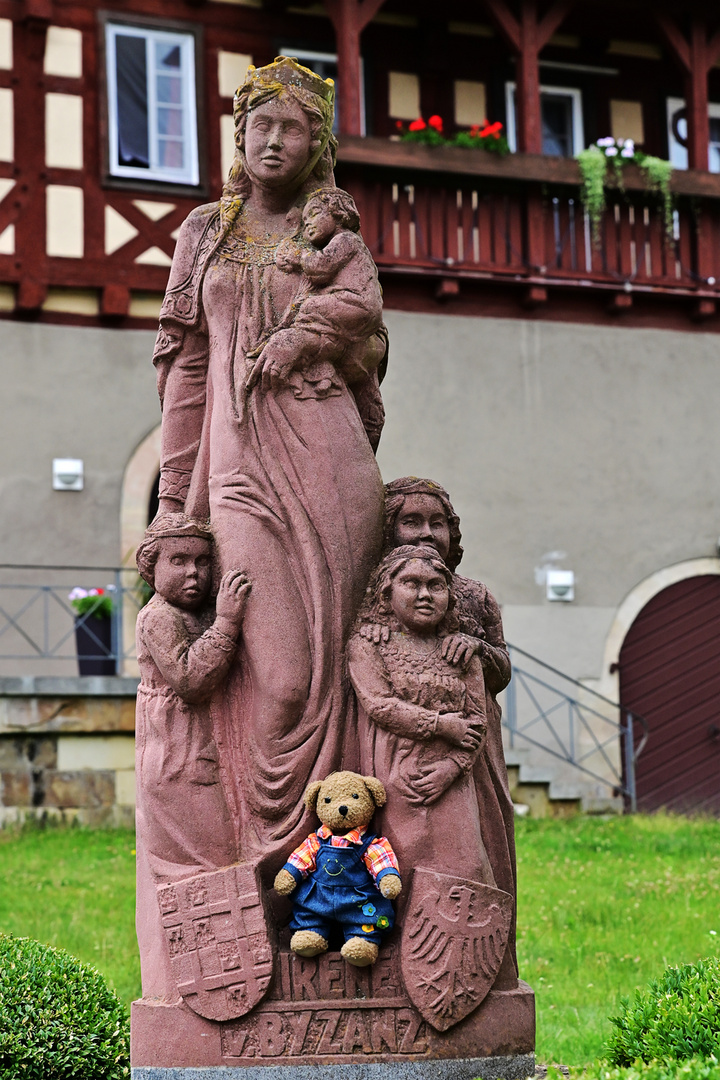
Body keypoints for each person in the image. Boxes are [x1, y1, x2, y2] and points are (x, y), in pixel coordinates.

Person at [150, 57, 387, 874]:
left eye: (292, 127)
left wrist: (313, 333)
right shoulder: (202, 235)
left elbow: (370, 336)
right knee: (281, 677)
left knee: (348, 664)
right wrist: (174, 497)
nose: (273, 141)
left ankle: (352, 867)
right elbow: (184, 368)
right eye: (261, 125)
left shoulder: (333, 236)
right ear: (240, 135)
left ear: (316, 144)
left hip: (330, 458)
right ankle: (263, 865)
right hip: (240, 463)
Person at [362, 476, 518, 988]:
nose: (426, 534)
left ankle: (485, 963)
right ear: (389, 531)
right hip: (401, 745)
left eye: (438, 524)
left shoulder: (472, 595)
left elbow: (502, 668)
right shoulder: (376, 597)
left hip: (472, 736)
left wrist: (475, 649)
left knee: (484, 839)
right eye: (411, 522)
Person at [348, 545, 496, 889]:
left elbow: (477, 721)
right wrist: (442, 725)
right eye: (411, 584)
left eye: (435, 585)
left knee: (467, 870)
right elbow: (380, 705)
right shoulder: (369, 645)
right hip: (395, 777)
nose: (424, 594)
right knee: (400, 868)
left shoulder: (460, 652)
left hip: (451, 783)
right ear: (388, 591)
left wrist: (452, 769)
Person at [249, 187, 383, 400]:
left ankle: (293, 335)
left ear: (337, 213)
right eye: (305, 220)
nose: (308, 223)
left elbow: (321, 267)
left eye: (314, 214)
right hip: (361, 310)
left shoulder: (345, 240)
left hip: (355, 304)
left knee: (310, 307)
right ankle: (323, 373)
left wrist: (298, 257)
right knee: (324, 327)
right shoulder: (351, 244)